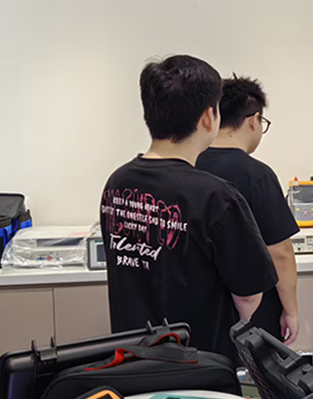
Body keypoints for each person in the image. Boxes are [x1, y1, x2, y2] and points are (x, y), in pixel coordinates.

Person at [100, 55, 278, 365]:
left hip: (133, 361)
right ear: (209, 117)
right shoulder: (216, 197)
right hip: (200, 367)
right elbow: (249, 296)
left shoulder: (117, 183)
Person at [197, 75, 300, 344]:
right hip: (254, 315)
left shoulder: (189, 165)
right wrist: (291, 311)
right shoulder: (257, 175)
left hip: (201, 314)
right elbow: (280, 252)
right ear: (254, 120)